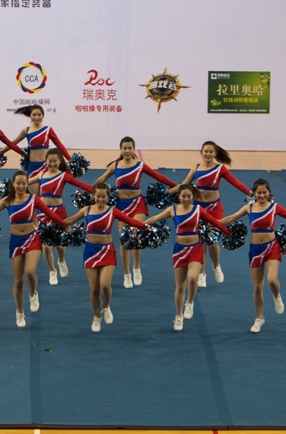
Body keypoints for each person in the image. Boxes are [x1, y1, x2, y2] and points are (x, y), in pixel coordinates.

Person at [0, 171, 69, 328]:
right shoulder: (7, 201)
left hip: (32, 238)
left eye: (24, 183)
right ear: (13, 184)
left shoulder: (33, 199)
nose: (21, 186)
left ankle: (33, 293)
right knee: (18, 280)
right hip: (16, 242)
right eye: (18, 183)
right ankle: (19, 311)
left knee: (30, 272)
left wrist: (65, 225)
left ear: (27, 184)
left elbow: (50, 214)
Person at [220, 179, 286, 333]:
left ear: (269, 193)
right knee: (257, 287)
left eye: (264, 192)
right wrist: (212, 222)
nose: (262, 195)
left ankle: (276, 295)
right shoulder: (249, 208)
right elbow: (230, 218)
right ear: (254, 193)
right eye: (259, 193)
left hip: (271, 247)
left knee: (272, 280)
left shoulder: (274, 207)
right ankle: (259, 318)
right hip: (255, 250)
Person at [64, 183, 149, 333]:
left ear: (108, 197)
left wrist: (148, 227)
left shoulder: (112, 211)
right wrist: (53, 222)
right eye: (98, 196)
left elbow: (131, 222)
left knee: (104, 285)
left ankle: (106, 306)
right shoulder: (86, 210)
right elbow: (70, 220)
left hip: (107, 251)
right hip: (90, 252)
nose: (101, 199)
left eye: (104, 196)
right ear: (94, 196)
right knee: (94, 289)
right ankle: (97, 316)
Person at [94, 136, 176, 289]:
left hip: (137, 204)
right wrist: (88, 191)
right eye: (124, 148)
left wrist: (176, 186)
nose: (127, 151)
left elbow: (159, 176)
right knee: (124, 240)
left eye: (130, 148)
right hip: (121, 205)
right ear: (120, 149)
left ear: (134, 149)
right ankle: (126, 274)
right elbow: (101, 179)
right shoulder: (115, 166)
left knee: (136, 234)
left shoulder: (140, 165)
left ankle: (136, 267)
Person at [146, 184, 230, 332]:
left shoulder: (198, 210)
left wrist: (229, 231)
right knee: (180, 286)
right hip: (179, 251)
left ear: (193, 197)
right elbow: (155, 218)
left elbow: (215, 222)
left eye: (189, 196)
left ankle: (190, 302)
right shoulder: (173, 210)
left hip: (195, 249)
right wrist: (137, 225)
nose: (186, 199)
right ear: (179, 196)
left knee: (192, 278)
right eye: (183, 196)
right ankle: (178, 315)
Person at [167, 141, 250, 288]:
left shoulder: (220, 169)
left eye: (211, 151)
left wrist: (251, 194)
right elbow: (184, 184)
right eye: (205, 151)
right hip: (198, 207)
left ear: (215, 153)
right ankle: (202, 273)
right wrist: (168, 191)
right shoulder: (196, 167)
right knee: (200, 241)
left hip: (214, 208)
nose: (208, 154)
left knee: (212, 240)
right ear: (201, 152)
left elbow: (235, 183)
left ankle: (216, 265)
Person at [27, 149, 94, 285]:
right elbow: (25, 182)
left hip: (59, 212)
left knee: (60, 244)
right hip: (44, 213)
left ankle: (61, 260)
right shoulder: (41, 174)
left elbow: (80, 184)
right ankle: (52, 270)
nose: (52, 164)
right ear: (46, 161)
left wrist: (96, 192)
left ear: (59, 162)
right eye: (49, 161)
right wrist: (12, 186)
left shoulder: (63, 176)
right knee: (46, 246)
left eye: (55, 161)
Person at [8, 104, 72, 189]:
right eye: (34, 115)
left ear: (43, 115)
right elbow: (12, 143)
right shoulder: (26, 130)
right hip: (33, 166)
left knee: (46, 194)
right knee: (36, 195)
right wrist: (0, 152)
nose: (36, 117)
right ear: (30, 116)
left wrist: (69, 158)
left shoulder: (48, 129)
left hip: (47, 165)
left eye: (39, 115)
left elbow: (59, 145)